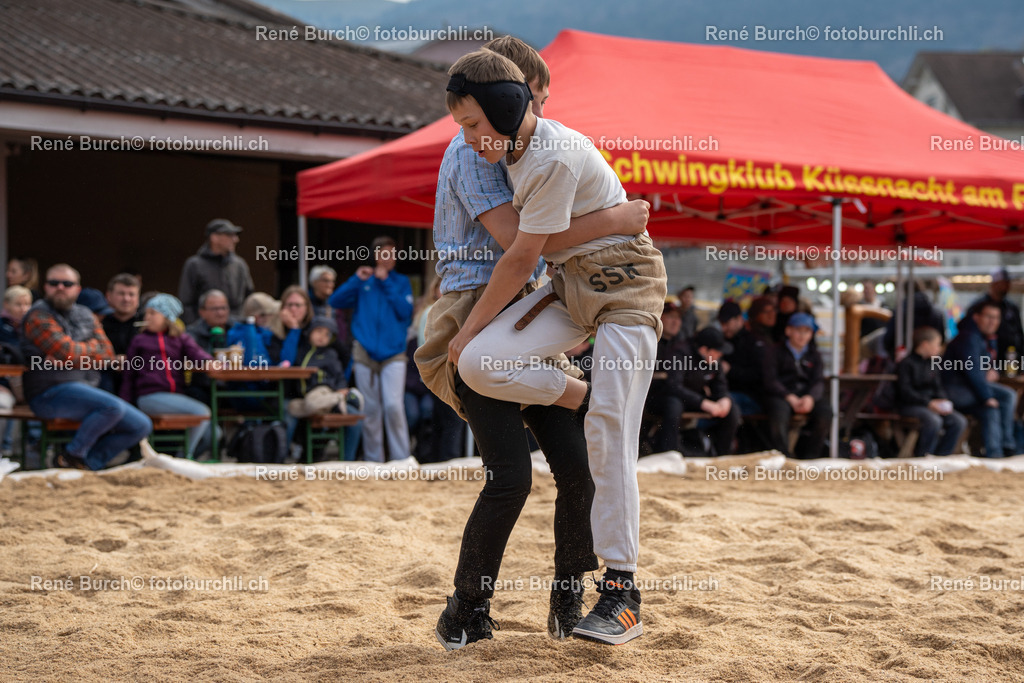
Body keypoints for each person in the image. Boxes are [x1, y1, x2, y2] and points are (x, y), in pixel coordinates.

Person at [416, 37, 651, 650]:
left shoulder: (531, 144)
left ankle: (568, 603)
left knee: (577, 469)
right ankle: (466, 609)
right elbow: (523, 246)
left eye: (540, 101)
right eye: (533, 98)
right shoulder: (474, 151)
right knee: (510, 476)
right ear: (507, 96)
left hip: (524, 306)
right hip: (480, 305)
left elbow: (539, 247)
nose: (538, 113)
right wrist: (617, 219)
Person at [21, 264, 152, 470]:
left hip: (84, 389)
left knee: (141, 425)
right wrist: (88, 350)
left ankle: (89, 464)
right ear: (45, 287)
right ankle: (72, 455)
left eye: (68, 283)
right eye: (54, 283)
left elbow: (105, 354)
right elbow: (67, 351)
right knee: (111, 407)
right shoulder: (38, 315)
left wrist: (73, 353)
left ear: (78, 288)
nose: (61, 287)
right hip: (48, 393)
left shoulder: (85, 314)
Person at [329, 237, 413, 463]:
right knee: (371, 409)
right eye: (385, 254)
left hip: (393, 352)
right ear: (376, 256)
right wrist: (356, 279)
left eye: (393, 254)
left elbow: (405, 312)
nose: (390, 258)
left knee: (394, 405)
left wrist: (386, 282)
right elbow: (335, 301)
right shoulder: (363, 281)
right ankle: (374, 461)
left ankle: (402, 459)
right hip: (364, 352)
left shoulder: (401, 281)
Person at [120, 294, 216, 458]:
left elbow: (197, 353)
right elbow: (129, 375)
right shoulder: (140, 340)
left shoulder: (179, 339)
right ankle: (185, 458)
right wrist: (126, 404)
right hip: (149, 397)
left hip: (174, 397)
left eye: (153, 313)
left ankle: (179, 458)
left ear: (167, 317)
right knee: (202, 412)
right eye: (146, 313)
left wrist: (210, 362)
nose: (147, 317)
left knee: (214, 433)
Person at [942, 303, 1017, 457]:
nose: (993, 322)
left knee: (991, 409)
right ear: (976, 317)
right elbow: (972, 371)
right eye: (989, 317)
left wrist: (991, 369)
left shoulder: (980, 337)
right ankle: (1006, 445)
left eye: (996, 318)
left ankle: (996, 452)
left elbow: (980, 367)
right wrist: (987, 396)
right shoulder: (969, 337)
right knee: (1006, 396)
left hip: (966, 389)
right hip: (957, 391)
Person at [285, 315, 363, 462]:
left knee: (355, 420)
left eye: (327, 334)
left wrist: (341, 389)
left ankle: (347, 463)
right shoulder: (300, 350)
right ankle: (336, 400)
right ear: (310, 331)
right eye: (319, 331)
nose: (322, 336)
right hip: (308, 396)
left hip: (327, 394)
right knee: (296, 407)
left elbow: (339, 376)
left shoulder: (330, 355)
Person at [763, 312, 831, 459]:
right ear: (789, 331)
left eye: (806, 331)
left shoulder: (815, 355)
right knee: (778, 412)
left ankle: (811, 456)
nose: (802, 335)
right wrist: (788, 396)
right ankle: (783, 456)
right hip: (782, 395)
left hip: (806, 395)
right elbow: (770, 380)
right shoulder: (774, 351)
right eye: (798, 330)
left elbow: (818, 381)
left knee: (825, 412)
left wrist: (811, 397)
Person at [896, 327, 967, 457]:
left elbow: (938, 387)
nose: (939, 349)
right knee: (934, 421)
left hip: (931, 405)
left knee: (958, 421)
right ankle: (924, 455)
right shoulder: (907, 364)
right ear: (925, 344)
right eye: (937, 345)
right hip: (910, 405)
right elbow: (905, 392)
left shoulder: (932, 363)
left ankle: (942, 455)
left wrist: (943, 401)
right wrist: (928, 403)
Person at [178, 219, 254, 324]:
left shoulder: (239, 265)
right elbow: (186, 302)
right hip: (204, 330)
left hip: (235, 328)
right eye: (229, 235)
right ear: (214, 237)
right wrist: (196, 330)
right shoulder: (194, 265)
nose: (236, 240)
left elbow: (249, 297)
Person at [724, 296, 775, 417]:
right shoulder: (723, 340)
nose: (724, 327)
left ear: (739, 319)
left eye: (727, 323)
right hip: (730, 393)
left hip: (753, 397)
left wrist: (731, 370)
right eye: (721, 323)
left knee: (723, 403)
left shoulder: (755, 342)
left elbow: (760, 375)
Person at [965, 267, 1024, 365]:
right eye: (1003, 283)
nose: (1006, 286)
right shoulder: (978, 305)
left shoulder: (1011, 307)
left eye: (1007, 282)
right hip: (984, 359)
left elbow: (1019, 335)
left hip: (1010, 359)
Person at [102, 273, 142, 358]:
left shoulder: (146, 325)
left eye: (131, 294)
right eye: (121, 293)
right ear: (108, 296)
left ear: (138, 298)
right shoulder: (100, 323)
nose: (126, 299)